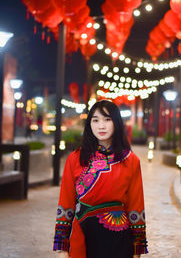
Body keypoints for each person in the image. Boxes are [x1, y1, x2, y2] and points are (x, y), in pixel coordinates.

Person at [53, 100, 148, 258]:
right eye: (95, 120)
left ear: (116, 123)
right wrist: (62, 247)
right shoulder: (75, 159)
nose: (101, 126)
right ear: (89, 124)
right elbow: (66, 203)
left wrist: (137, 248)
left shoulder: (131, 160)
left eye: (107, 120)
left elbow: (136, 205)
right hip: (82, 235)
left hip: (118, 239)